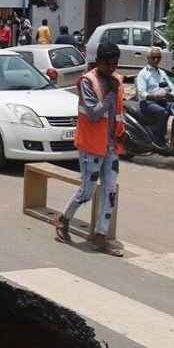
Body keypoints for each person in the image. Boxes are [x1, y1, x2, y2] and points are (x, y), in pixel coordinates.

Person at [54, 40, 126, 257]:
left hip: (112, 145)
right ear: (98, 62)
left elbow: (118, 112)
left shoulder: (117, 80)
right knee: (87, 191)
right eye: (107, 64)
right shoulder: (88, 82)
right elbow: (94, 113)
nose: (111, 68)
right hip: (91, 146)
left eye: (114, 64)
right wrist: (111, 94)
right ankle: (63, 218)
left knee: (110, 192)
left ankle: (100, 237)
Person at [135, 47, 170, 144]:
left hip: (162, 100)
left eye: (158, 57)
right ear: (148, 58)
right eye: (153, 57)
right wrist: (153, 96)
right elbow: (141, 93)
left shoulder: (162, 73)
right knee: (163, 112)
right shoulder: (143, 74)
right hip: (147, 103)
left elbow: (170, 85)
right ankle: (158, 138)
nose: (156, 59)